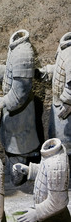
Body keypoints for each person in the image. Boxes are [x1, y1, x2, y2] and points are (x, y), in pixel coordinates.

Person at [0, 29, 40, 185]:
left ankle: (17, 179)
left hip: (20, 110)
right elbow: (12, 73)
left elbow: (21, 90)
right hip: (15, 110)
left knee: (18, 147)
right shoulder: (17, 49)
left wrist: (5, 101)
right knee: (12, 145)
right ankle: (13, 175)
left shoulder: (23, 53)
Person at [13, 138, 71, 222]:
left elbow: (58, 202)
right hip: (47, 221)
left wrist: (36, 213)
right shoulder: (53, 156)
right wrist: (31, 170)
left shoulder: (56, 162)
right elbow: (48, 172)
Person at [39, 32, 71, 161]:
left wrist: (68, 102)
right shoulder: (65, 50)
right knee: (59, 141)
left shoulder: (69, 53)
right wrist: (47, 71)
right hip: (59, 104)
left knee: (66, 146)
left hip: (65, 108)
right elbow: (61, 68)